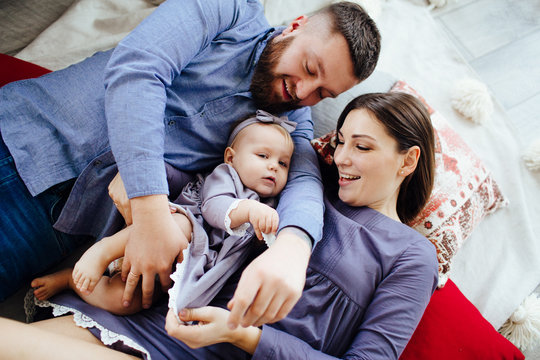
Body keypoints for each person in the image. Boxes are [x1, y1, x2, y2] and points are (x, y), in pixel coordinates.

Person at [0, 0, 381, 327]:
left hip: (56, 224)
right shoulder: (231, 11)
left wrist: (293, 250)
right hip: (24, 134)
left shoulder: (289, 119)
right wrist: (150, 209)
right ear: (295, 27)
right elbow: (139, 68)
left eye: (322, 93)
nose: (302, 92)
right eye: (309, 69)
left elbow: (304, 182)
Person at [0, 91, 439, 359]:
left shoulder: (412, 256)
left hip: (210, 350)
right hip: (148, 314)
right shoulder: (303, 184)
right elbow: (214, 186)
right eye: (340, 141)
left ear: (409, 159)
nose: (341, 157)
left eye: (361, 147)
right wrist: (142, 177)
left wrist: (245, 337)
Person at [29, 111, 296, 316]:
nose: (273, 167)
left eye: (283, 163)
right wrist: (249, 211)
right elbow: (214, 209)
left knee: (127, 302)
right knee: (178, 226)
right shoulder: (225, 176)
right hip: (180, 226)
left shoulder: (270, 203)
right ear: (230, 157)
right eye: (263, 156)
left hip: (189, 263)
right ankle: (104, 251)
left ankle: (72, 281)